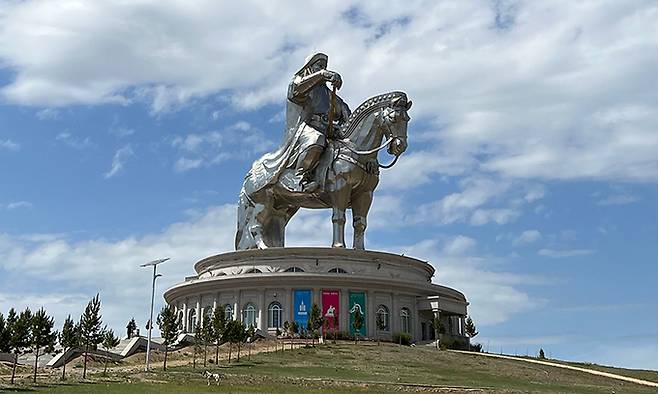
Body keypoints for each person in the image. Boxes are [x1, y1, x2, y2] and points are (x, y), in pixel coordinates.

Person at [287, 53, 351, 192]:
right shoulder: (299, 82)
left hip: (328, 129)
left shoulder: (328, 93)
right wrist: (322, 74)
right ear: (310, 67)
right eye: (319, 66)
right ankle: (298, 178)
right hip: (306, 127)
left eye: (324, 66)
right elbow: (296, 91)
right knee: (316, 139)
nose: (323, 68)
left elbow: (343, 110)